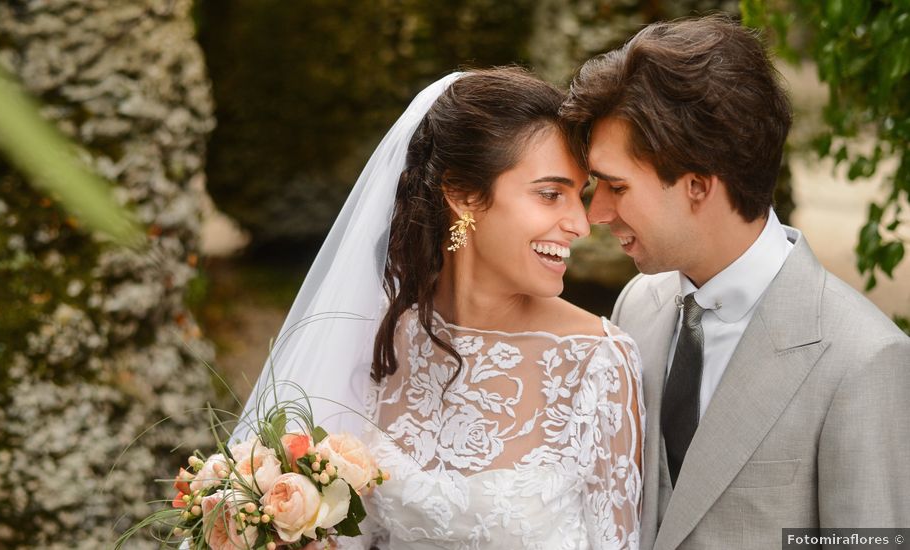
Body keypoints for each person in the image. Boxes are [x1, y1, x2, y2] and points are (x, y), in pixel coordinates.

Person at [234, 68, 644, 550]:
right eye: (551, 194)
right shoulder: (374, 335)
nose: (579, 223)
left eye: (581, 195)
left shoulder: (598, 360)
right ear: (463, 194)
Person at [561, 14, 910, 550]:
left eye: (615, 186)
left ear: (698, 184)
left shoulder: (865, 360)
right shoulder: (638, 305)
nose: (597, 214)